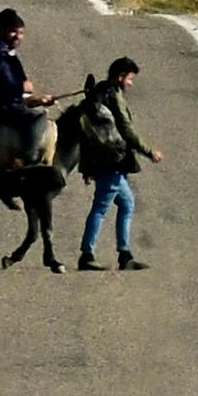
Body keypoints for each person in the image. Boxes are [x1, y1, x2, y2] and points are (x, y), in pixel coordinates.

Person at [75, 57, 161, 268]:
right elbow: (125, 129)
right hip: (111, 159)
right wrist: (149, 151)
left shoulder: (100, 92)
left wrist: (87, 167)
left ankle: (125, 255)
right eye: (130, 79)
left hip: (103, 160)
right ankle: (87, 255)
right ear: (120, 76)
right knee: (100, 207)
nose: (131, 83)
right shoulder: (114, 96)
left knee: (127, 202)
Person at [0, 9, 44, 136]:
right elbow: (5, 88)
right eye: (13, 31)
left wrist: (37, 100)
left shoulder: (8, 54)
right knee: (38, 120)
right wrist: (23, 87)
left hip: (6, 109)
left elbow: (16, 95)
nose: (17, 36)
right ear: (2, 30)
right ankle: (28, 155)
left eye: (21, 32)